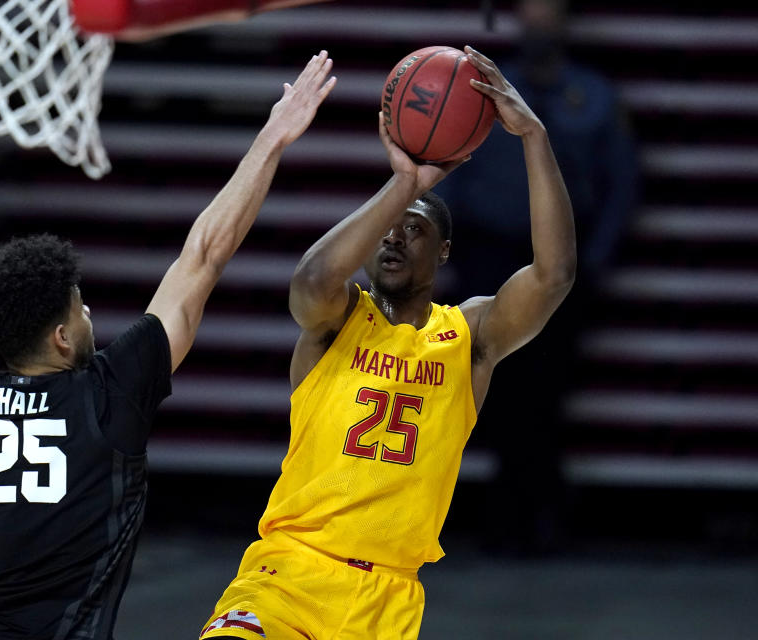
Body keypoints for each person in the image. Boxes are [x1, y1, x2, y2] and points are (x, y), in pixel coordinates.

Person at [0, 52, 336, 640]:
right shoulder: (112, 390)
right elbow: (204, 255)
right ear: (61, 338)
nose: (89, 315)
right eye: (79, 308)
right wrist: (273, 137)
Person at [199, 46, 575, 640]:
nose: (394, 236)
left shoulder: (469, 337)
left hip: (389, 600)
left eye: (415, 228)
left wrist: (533, 136)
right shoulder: (338, 317)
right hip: (289, 575)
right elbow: (313, 279)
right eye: (389, 227)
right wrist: (404, 185)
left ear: (444, 252)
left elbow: (553, 277)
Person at [433, 0, 638, 552]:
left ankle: (536, 513)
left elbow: (620, 184)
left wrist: (591, 263)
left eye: (549, 10)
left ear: (569, 21)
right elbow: (451, 168)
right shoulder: (485, 91)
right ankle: (512, 511)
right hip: (486, 257)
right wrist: (440, 255)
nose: (538, 22)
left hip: (556, 266)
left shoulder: (594, 97)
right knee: (490, 388)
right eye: (529, 10)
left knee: (545, 390)